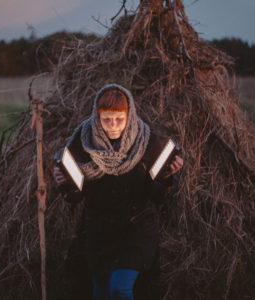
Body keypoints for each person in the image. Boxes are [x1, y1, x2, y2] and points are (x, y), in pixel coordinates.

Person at [53, 84, 183, 300]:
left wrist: (167, 176)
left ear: (129, 115)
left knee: (119, 290)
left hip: (137, 229)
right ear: (97, 117)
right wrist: (64, 183)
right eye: (106, 120)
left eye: (119, 119)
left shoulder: (148, 141)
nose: (113, 126)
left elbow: (158, 197)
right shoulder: (83, 141)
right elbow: (76, 197)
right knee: (101, 292)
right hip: (99, 232)